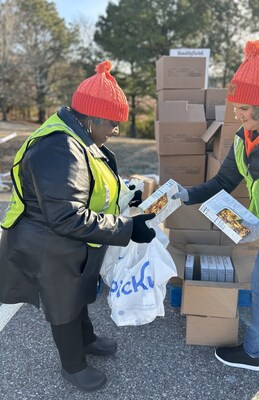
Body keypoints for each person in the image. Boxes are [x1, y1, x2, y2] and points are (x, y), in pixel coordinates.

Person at [0, 60, 156, 392]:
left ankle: (86, 339)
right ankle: (73, 366)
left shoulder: (79, 139)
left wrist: (127, 197)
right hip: (49, 244)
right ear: (94, 118)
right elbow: (66, 215)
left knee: (79, 295)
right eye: (113, 124)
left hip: (71, 241)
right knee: (63, 305)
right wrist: (128, 228)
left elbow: (90, 189)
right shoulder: (59, 148)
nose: (115, 131)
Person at [173, 40, 259, 371]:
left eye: (242, 109)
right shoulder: (245, 136)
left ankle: (253, 355)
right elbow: (222, 182)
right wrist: (187, 194)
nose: (236, 115)